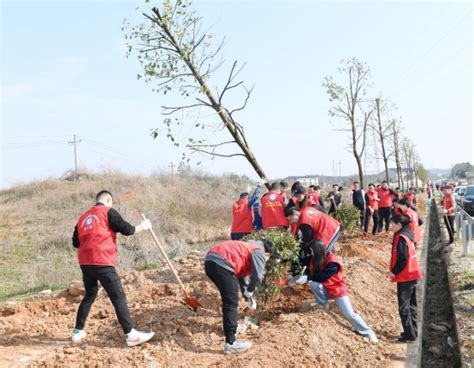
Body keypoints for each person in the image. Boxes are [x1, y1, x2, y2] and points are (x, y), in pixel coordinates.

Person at [71, 190, 155, 346]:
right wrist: (143, 226)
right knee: (118, 296)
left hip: (85, 263)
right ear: (108, 200)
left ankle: (77, 331)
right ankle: (131, 334)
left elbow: (76, 243)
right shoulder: (107, 211)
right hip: (102, 261)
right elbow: (127, 230)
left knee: (90, 294)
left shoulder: (83, 218)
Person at [204, 239, 274, 354]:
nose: (265, 261)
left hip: (210, 262)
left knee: (229, 299)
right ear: (267, 254)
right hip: (222, 263)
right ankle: (231, 343)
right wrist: (251, 290)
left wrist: (247, 296)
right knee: (231, 302)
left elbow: (241, 278)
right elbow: (258, 276)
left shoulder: (247, 249)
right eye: (267, 259)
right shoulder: (258, 251)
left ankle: (233, 326)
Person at [301, 240, 378, 343]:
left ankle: (368, 332)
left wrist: (307, 277)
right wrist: (283, 260)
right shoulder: (317, 257)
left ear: (318, 251)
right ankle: (323, 303)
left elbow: (323, 277)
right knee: (314, 284)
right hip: (326, 289)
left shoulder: (332, 263)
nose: (311, 254)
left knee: (349, 314)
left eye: (312, 251)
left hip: (337, 291)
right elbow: (301, 260)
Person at [389, 214, 422, 342]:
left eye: (392, 224)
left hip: (406, 276)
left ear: (399, 225)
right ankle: (413, 332)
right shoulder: (407, 234)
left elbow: (402, 258)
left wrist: (394, 272)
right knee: (412, 305)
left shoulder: (401, 238)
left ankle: (409, 334)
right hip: (413, 274)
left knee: (404, 307)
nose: (390, 226)